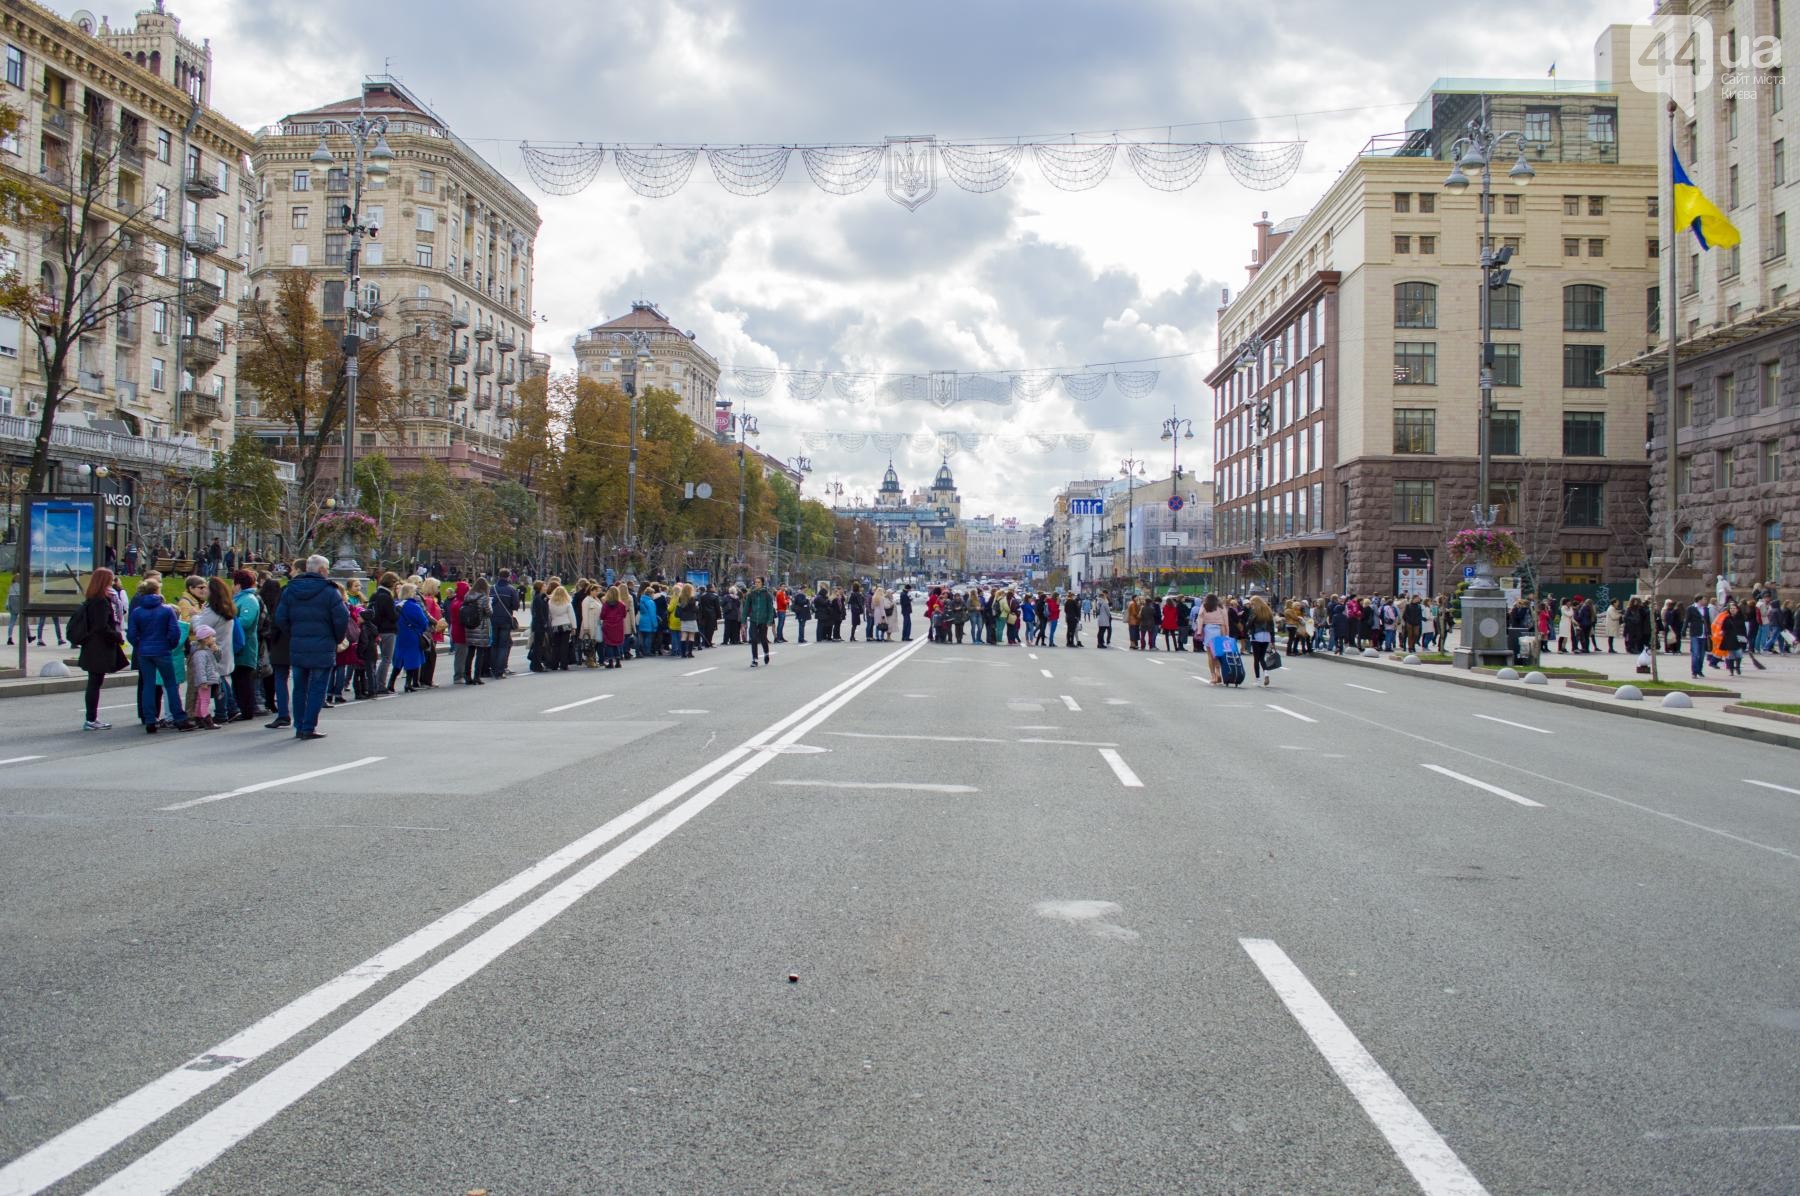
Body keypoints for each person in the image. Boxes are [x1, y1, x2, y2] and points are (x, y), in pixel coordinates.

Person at [274, 556, 348, 740]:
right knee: (317, 687)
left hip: (299, 643)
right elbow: (341, 618)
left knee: (299, 687)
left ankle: (299, 725)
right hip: (323, 643)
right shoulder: (330, 591)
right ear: (322, 570)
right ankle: (309, 726)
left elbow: (281, 617)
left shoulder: (290, 589)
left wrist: (294, 633)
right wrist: (336, 638)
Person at [126, 576, 191, 733]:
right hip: (162, 650)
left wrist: (140, 645)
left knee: (148, 685)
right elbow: (174, 632)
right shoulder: (166, 610)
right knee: (170, 684)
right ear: (157, 591)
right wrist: (169, 645)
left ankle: (150, 719)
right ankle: (179, 718)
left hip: (145, 651)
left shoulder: (137, 612)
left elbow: (131, 634)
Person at [72, 567, 127, 730]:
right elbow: (101, 626)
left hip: (92, 646)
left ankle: (91, 718)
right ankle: (91, 719)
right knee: (95, 683)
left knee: (94, 682)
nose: (113, 582)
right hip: (98, 648)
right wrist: (117, 636)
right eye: (111, 579)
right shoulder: (101, 601)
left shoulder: (93, 598)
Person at [231, 570, 263, 720]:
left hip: (245, 645)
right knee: (238, 679)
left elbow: (246, 621)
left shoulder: (249, 600)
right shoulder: (240, 598)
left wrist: (229, 622)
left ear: (238, 585)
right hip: (238, 645)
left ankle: (246, 710)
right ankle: (241, 707)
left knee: (243, 679)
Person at [261, 575, 292, 728]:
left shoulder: (284, 595)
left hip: (280, 641)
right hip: (298, 640)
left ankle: (282, 713)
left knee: (279, 677)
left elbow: (277, 619)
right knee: (303, 678)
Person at [393, 582, 430, 692]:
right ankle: (408, 684)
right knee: (412, 659)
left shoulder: (397, 605)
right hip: (413, 635)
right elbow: (424, 622)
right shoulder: (414, 607)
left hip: (400, 635)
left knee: (399, 660)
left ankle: (391, 683)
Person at [462, 577, 494, 684]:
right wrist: (490, 605)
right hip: (481, 627)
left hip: (469, 627)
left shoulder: (467, 596)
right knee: (480, 653)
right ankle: (477, 676)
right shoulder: (484, 597)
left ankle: (467, 676)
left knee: (470, 653)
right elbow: (489, 613)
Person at [489, 570, 519, 678]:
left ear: (499, 576)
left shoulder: (492, 588)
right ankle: (500, 670)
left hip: (493, 619)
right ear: (509, 577)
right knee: (503, 646)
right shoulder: (511, 589)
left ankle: (493, 668)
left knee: (494, 644)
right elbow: (516, 606)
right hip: (505, 620)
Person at [1195, 594, 1230, 683]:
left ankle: (1213, 675)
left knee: (1210, 655)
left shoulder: (1205, 606)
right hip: (1220, 629)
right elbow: (1226, 620)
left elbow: (1200, 618)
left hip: (1209, 629)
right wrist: (1227, 634)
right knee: (1218, 653)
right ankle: (1218, 672)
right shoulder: (1221, 606)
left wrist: (1199, 630)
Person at [420, 577, 447, 688]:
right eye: (438, 587)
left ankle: (426, 679)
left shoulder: (430, 599)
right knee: (430, 657)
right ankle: (427, 680)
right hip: (431, 631)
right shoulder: (429, 600)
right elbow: (428, 616)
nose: (439, 589)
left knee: (429, 656)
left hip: (433, 629)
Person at [1246, 594, 1278, 686]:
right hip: (1266, 636)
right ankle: (1266, 673)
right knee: (1262, 657)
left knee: (1256, 658)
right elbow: (1272, 627)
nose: (1251, 605)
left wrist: (1247, 628)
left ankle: (1257, 680)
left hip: (1256, 635)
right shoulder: (1268, 611)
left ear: (1255, 603)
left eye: (1252, 603)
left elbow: (1250, 623)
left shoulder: (1254, 611)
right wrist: (1272, 641)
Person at [745, 575, 775, 667]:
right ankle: (754, 659)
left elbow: (770, 609)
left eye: (758, 582)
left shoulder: (767, 595)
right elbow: (746, 608)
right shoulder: (751, 594)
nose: (756, 584)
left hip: (763, 620)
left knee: (763, 639)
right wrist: (743, 620)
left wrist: (769, 620)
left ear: (762, 583)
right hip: (754, 620)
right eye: (755, 582)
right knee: (753, 639)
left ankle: (766, 653)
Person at [600, 585, 630, 669]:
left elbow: (602, 615)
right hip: (618, 625)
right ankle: (618, 661)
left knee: (609, 644)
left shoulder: (606, 604)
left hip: (608, 625)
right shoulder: (621, 605)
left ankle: (610, 662)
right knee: (617, 643)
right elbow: (624, 615)